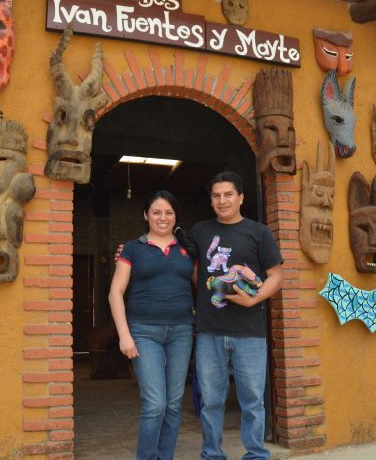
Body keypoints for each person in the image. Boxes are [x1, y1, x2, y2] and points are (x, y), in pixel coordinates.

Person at [191, 171, 283, 460]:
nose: (222, 200)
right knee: (211, 400)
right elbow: (194, 271)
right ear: (211, 200)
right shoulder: (200, 231)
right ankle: (212, 454)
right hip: (209, 331)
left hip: (250, 332)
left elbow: (276, 276)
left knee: (253, 400)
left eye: (228, 194)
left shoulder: (259, 233)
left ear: (241, 197)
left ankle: (256, 454)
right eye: (216, 195)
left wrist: (252, 297)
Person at [108, 190, 196, 460]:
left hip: (182, 332)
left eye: (169, 212)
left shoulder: (188, 249)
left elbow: (203, 286)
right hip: (144, 333)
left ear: (176, 216)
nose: (162, 218)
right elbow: (115, 292)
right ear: (146, 215)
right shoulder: (132, 248)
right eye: (156, 212)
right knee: (155, 404)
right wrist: (125, 336)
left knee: (172, 406)